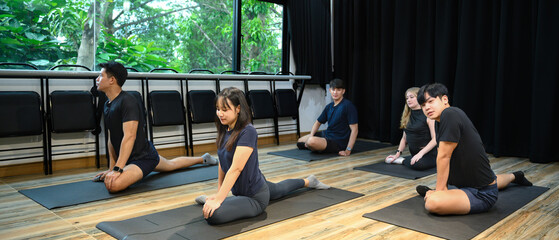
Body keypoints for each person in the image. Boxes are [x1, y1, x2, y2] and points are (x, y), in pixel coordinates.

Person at [196, 87, 330, 225]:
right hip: (257, 183)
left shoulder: (248, 131)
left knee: (214, 215)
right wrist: (219, 194)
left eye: (225, 109)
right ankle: (310, 181)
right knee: (279, 189)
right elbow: (223, 163)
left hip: (255, 197)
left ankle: (211, 200)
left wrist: (218, 200)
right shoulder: (225, 130)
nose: (220, 114)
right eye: (218, 109)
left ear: (238, 109)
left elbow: (236, 168)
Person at [93, 61, 218, 193]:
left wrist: (118, 169)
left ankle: (203, 159)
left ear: (112, 80)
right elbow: (111, 138)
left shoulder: (128, 102)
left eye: (100, 76)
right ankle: (203, 158)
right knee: (171, 165)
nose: (97, 79)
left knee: (114, 185)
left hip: (143, 157)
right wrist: (112, 168)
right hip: (129, 158)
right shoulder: (107, 104)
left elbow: (129, 136)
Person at [415, 83, 533, 215]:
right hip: (472, 182)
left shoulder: (449, 114)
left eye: (430, 101)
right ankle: (515, 176)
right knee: (491, 179)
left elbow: (443, 156)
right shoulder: (440, 120)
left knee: (432, 203)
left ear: (444, 99)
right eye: (423, 105)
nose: (427, 107)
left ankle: (436, 194)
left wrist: (439, 192)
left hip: (481, 194)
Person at [297, 78, 358, 156]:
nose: (335, 92)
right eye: (333, 89)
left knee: (311, 141)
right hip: (326, 135)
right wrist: (311, 135)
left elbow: (355, 130)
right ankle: (312, 146)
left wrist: (348, 150)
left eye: (338, 90)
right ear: (330, 90)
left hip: (337, 141)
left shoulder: (348, 106)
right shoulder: (329, 107)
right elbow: (317, 122)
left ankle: (312, 145)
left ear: (343, 91)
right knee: (300, 141)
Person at [385, 87, 437, 170]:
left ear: (420, 98)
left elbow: (435, 139)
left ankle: (402, 161)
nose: (408, 100)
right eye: (407, 98)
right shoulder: (407, 116)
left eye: (412, 97)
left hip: (429, 154)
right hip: (415, 154)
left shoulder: (428, 115)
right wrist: (397, 154)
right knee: (415, 162)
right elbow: (404, 138)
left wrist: (421, 153)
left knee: (419, 165)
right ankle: (405, 159)